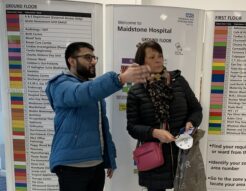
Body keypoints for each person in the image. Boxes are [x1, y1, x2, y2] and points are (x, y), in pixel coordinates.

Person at [45, 42, 150, 191]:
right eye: (88, 57)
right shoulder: (60, 84)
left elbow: (102, 127)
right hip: (71, 167)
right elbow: (79, 93)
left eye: (94, 57)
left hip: (96, 166)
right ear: (71, 60)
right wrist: (119, 79)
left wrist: (109, 158)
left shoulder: (93, 90)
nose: (93, 61)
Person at [126, 40, 203, 191]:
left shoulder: (178, 82)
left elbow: (196, 109)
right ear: (142, 62)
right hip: (155, 157)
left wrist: (191, 123)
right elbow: (132, 127)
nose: (158, 59)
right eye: (152, 57)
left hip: (182, 152)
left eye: (160, 55)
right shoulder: (136, 91)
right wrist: (154, 132)